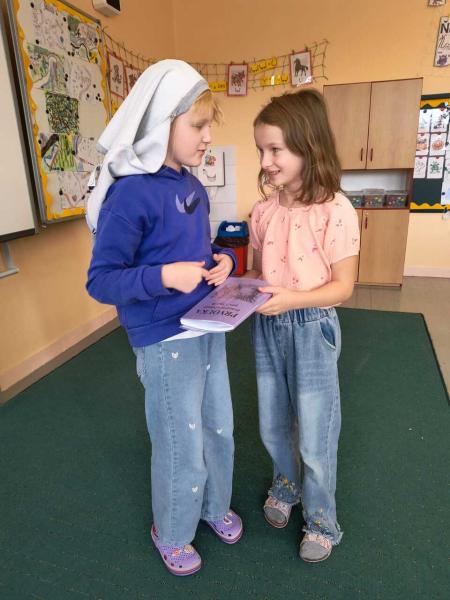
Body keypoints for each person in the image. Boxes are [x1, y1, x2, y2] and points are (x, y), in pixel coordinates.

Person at [86, 60, 242, 577]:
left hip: (208, 324)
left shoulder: (192, 185)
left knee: (219, 427)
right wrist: (162, 277)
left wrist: (225, 260)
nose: (208, 136)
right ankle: (172, 531)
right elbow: (102, 280)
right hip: (164, 339)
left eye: (208, 125)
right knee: (181, 440)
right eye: (197, 125)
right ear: (161, 124)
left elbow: (202, 249)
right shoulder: (130, 194)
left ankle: (213, 506)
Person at [245, 88, 360, 562]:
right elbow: (257, 272)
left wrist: (291, 299)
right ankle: (286, 485)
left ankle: (321, 519)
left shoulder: (336, 210)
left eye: (275, 149)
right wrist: (233, 281)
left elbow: (343, 287)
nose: (266, 161)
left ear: (307, 146)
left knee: (315, 431)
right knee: (273, 423)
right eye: (261, 150)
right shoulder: (263, 211)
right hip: (268, 328)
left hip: (312, 326)